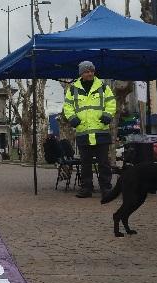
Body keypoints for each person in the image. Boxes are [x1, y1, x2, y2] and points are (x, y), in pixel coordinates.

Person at [63, 60, 116, 198]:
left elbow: (111, 102)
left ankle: (106, 188)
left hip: (101, 132)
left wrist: (107, 115)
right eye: (87, 71)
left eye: (91, 71)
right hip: (83, 133)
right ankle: (86, 188)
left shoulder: (103, 87)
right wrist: (72, 118)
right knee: (85, 163)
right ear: (81, 73)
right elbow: (67, 107)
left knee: (104, 163)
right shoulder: (73, 89)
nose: (90, 73)